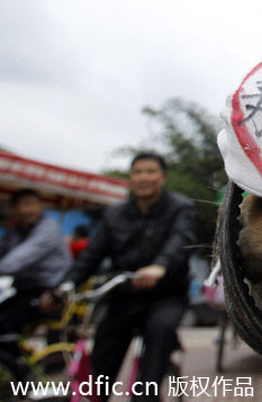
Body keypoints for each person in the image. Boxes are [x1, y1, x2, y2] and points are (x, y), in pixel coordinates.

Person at [46, 152, 196, 402]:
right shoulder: (114, 214)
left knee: (160, 334)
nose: (143, 178)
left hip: (166, 295)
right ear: (131, 177)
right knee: (103, 352)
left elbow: (181, 239)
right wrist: (66, 285)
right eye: (137, 172)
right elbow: (91, 256)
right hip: (124, 296)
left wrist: (160, 266)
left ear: (163, 177)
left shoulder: (180, 208)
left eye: (150, 172)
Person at [0, 189, 71, 360]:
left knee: (5, 322)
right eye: (23, 205)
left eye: (32, 204)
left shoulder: (48, 229)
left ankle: (17, 368)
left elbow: (16, 261)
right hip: (24, 290)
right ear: (13, 209)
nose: (29, 210)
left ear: (41, 206)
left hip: (51, 292)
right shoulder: (14, 231)